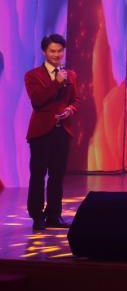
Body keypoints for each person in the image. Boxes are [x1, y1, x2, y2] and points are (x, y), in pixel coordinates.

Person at [23, 34, 78, 230]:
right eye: (52, 51)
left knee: (57, 175)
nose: (56, 55)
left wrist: (70, 110)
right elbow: (37, 100)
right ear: (44, 52)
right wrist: (56, 82)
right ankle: (37, 216)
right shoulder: (33, 75)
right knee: (38, 175)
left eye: (60, 51)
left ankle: (54, 215)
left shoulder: (70, 74)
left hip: (62, 131)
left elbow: (75, 100)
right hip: (41, 132)